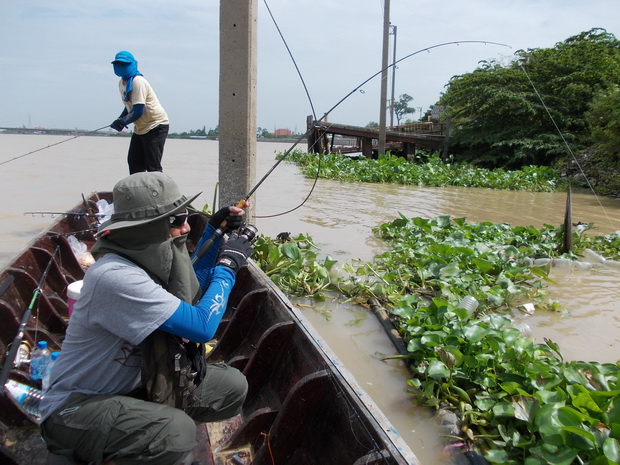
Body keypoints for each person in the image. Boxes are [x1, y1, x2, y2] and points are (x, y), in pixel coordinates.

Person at [39, 172, 254, 465]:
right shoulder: (114, 277)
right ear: (148, 229)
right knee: (176, 434)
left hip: (137, 387)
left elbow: (190, 289)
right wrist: (228, 267)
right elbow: (202, 326)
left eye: (186, 216)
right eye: (177, 221)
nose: (187, 226)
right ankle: (135, 443)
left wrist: (214, 235)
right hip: (77, 408)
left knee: (231, 387)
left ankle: (142, 429)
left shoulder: (146, 262)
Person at [110, 51, 170, 174]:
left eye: (124, 64)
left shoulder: (138, 81)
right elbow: (129, 106)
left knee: (152, 165)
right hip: (141, 128)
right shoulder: (122, 83)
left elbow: (138, 110)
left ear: (132, 64)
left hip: (155, 124)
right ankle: (139, 191)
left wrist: (123, 121)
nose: (121, 67)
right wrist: (119, 119)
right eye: (118, 64)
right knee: (134, 162)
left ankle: (159, 192)